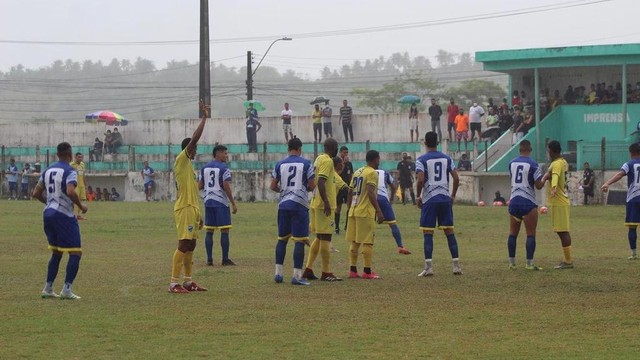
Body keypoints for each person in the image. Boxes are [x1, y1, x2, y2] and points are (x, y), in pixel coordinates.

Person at [32, 142, 88, 300]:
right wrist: (81, 206)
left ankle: (48, 288)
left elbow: (35, 193)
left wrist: (50, 203)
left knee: (56, 252)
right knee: (75, 252)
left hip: (48, 214)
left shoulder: (47, 170)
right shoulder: (70, 170)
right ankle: (66, 290)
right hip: (63, 215)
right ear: (70, 155)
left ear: (57, 154)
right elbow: (70, 191)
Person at [168, 100, 210, 293]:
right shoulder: (181, 161)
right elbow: (194, 139)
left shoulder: (191, 168)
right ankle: (173, 283)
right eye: (193, 149)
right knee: (183, 243)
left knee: (191, 244)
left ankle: (188, 281)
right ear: (188, 149)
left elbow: (194, 192)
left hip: (192, 208)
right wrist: (204, 118)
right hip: (184, 208)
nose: (195, 151)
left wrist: (199, 214)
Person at [416, 132, 462, 276]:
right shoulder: (447, 158)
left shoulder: (421, 160)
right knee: (449, 232)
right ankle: (456, 266)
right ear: (437, 142)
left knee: (428, 233)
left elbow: (421, 180)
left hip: (430, 200)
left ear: (425, 143)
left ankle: (428, 267)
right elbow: (456, 178)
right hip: (444, 199)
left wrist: (418, 196)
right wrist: (452, 195)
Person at [271, 137, 316, 285]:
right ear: (300, 149)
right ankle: (297, 276)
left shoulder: (279, 164)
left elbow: (273, 186)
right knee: (300, 240)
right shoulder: (306, 164)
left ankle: (278, 274)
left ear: (288, 148)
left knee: (282, 239)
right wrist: (305, 189)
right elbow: (311, 185)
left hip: (283, 205)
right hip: (299, 205)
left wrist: (283, 191)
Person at [303, 137, 344, 282]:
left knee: (320, 237)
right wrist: (326, 201)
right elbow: (320, 181)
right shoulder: (327, 161)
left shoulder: (319, 158)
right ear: (333, 148)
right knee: (326, 237)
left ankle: (308, 269)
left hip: (316, 202)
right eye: (337, 147)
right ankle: (326, 272)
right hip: (323, 205)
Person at [346, 150, 385, 279]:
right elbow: (370, 191)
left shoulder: (358, 171)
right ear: (375, 160)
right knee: (368, 242)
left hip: (354, 210)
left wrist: (350, 207)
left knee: (355, 241)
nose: (379, 161)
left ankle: (352, 270)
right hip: (365, 212)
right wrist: (379, 211)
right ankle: (367, 272)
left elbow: (349, 192)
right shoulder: (372, 172)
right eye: (378, 159)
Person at [506, 140, 545, 270]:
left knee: (512, 233)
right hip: (528, 201)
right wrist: (545, 178)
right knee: (530, 234)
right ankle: (529, 264)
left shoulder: (511, 163)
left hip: (514, 200)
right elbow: (538, 186)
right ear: (530, 149)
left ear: (519, 150)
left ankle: (511, 263)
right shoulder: (533, 164)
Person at [199, 145, 238, 267]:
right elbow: (226, 186)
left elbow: (199, 185)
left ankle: (209, 260)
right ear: (218, 153)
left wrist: (205, 194)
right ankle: (225, 259)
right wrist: (232, 202)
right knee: (224, 230)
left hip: (208, 202)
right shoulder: (224, 168)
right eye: (225, 153)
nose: (227, 156)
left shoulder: (204, 168)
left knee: (209, 230)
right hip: (220, 202)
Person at [601, 143, 640, 260]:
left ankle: (633, 254)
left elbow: (620, 174)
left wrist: (607, 183)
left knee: (632, 227)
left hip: (633, 199)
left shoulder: (629, 164)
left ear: (631, 153)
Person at [541, 140, 574, 269]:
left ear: (552, 151)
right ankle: (568, 260)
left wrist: (554, 187)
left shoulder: (556, 164)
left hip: (559, 202)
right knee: (562, 231)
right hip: (562, 201)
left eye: (548, 150)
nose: (548, 153)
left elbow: (555, 176)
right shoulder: (563, 162)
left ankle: (568, 261)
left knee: (562, 232)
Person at [375, 167, 411, 254]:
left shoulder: (365, 171)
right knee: (392, 224)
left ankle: (364, 246)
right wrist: (391, 199)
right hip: (383, 198)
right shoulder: (385, 172)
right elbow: (394, 187)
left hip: (370, 198)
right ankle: (400, 246)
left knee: (366, 223)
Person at [335, 146, 354, 234]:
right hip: (339, 188)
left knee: (349, 207)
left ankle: (347, 226)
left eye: (347, 152)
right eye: (344, 152)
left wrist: (352, 186)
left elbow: (351, 176)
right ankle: (336, 227)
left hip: (347, 188)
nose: (346, 154)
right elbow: (336, 174)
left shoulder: (349, 164)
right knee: (338, 208)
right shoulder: (337, 163)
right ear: (340, 153)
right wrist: (343, 164)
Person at [70, 153, 86, 220]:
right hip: (75, 185)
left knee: (80, 200)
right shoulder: (71, 165)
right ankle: (72, 214)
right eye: (79, 157)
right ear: (75, 157)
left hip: (81, 185)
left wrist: (85, 184)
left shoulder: (82, 164)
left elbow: (83, 175)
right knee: (74, 200)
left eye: (81, 157)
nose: (80, 158)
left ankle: (78, 215)